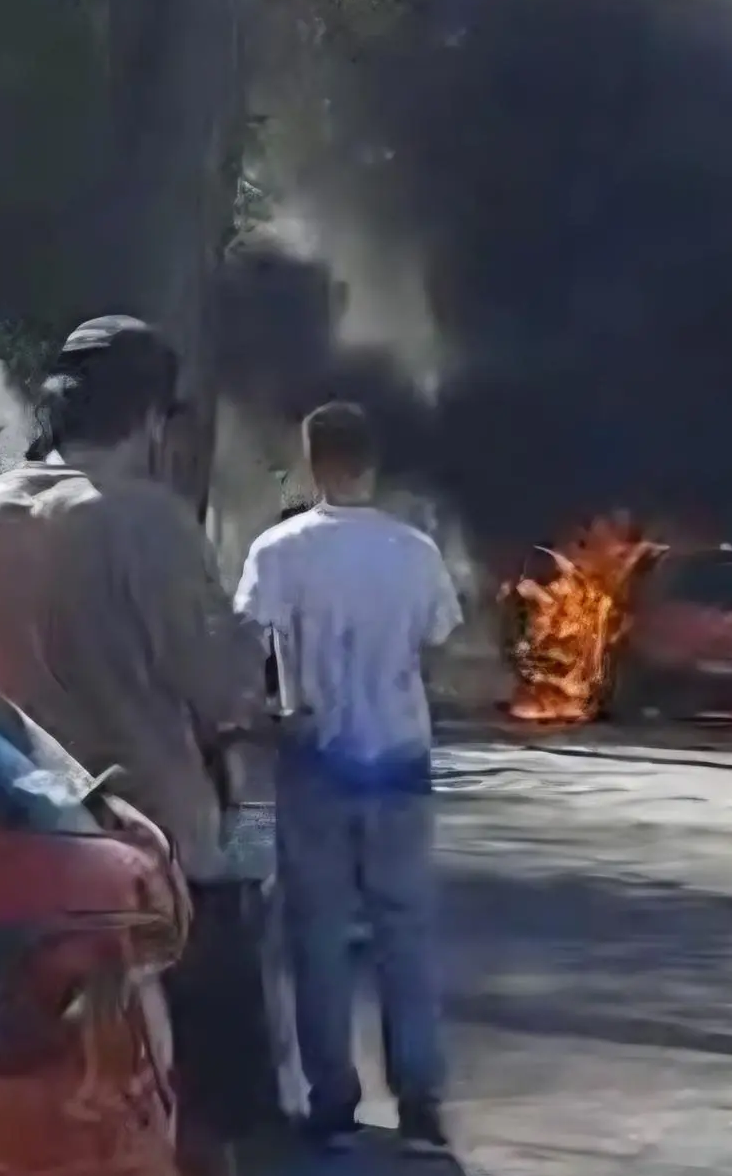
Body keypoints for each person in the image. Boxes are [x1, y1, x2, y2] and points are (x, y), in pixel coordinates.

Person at [0, 315, 271, 1176]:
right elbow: (221, 686)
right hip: (155, 864)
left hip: (10, 855)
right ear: (151, 418)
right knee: (198, 1118)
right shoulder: (145, 522)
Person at [234, 401, 462, 1159]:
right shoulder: (416, 552)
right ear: (373, 462)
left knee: (318, 937)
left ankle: (333, 1102)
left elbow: (257, 651)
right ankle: (421, 1100)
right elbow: (435, 650)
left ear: (310, 460)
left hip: (315, 763)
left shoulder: (278, 549)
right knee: (406, 932)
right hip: (400, 763)